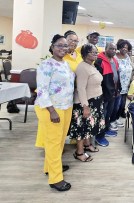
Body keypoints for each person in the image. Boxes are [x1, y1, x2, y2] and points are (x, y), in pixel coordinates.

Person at [34, 34, 74, 191]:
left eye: (65, 46)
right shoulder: (46, 65)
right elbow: (42, 91)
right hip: (51, 109)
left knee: (59, 140)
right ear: (52, 46)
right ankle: (55, 179)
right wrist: (52, 111)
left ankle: (49, 167)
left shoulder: (65, 64)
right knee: (53, 142)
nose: (62, 48)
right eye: (59, 45)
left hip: (66, 106)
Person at [68, 43, 105, 162]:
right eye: (93, 52)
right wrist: (85, 106)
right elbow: (81, 88)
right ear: (85, 54)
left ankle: (87, 144)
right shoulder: (82, 67)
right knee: (82, 128)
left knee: (89, 127)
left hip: (95, 101)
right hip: (85, 103)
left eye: (96, 52)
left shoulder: (91, 65)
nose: (96, 54)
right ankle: (79, 152)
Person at [94, 42, 120, 146]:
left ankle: (106, 130)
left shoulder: (114, 60)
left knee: (108, 114)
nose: (113, 51)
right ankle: (99, 136)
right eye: (111, 49)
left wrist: (118, 89)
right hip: (104, 94)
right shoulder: (99, 61)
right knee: (102, 115)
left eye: (114, 49)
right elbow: (98, 81)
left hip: (113, 93)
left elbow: (116, 76)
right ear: (105, 49)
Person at [110, 39, 133, 129]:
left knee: (122, 105)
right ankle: (111, 120)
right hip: (117, 85)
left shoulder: (127, 56)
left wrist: (130, 82)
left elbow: (131, 69)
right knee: (115, 105)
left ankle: (116, 118)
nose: (125, 49)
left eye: (127, 48)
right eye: (123, 47)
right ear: (119, 47)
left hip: (126, 85)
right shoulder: (115, 57)